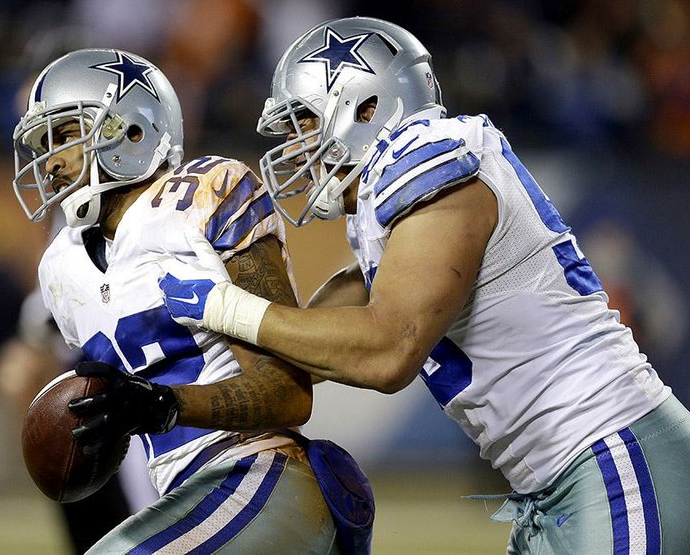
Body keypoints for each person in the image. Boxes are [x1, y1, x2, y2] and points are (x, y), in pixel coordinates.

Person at [156, 17, 690, 554]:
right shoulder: (384, 207)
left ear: (368, 109)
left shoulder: (429, 156)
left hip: (614, 458)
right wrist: (175, 373)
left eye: (304, 122)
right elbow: (309, 350)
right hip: (565, 481)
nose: (295, 147)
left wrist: (226, 307)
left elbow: (389, 351)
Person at [12, 47, 373, 554]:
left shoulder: (206, 196)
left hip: (260, 474)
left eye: (66, 136)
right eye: (42, 145)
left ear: (131, 131)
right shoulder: (61, 267)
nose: (49, 160)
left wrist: (162, 405)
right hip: (186, 496)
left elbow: (288, 391)